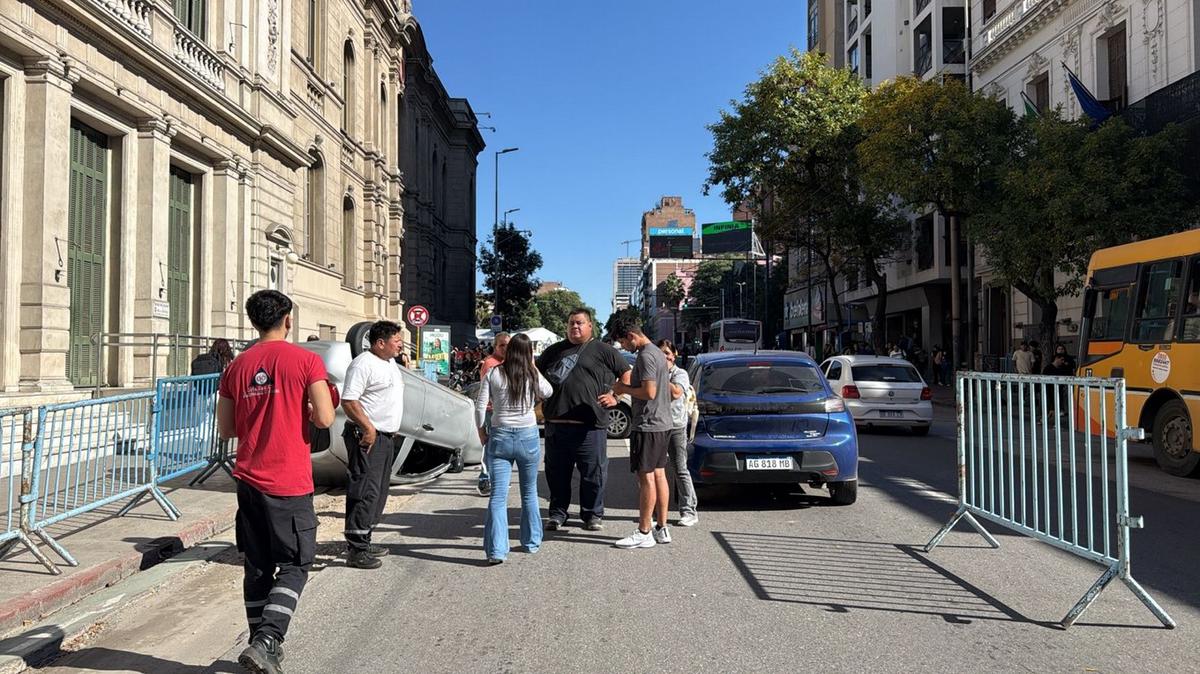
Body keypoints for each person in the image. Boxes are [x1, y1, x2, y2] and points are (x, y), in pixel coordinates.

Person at [216, 290, 335, 674]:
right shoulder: (305, 360)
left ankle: (258, 645)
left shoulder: (235, 368)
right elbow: (326, 419)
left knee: (257, 566)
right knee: (297, 564)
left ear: (254, 322)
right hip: (288, 480)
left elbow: (227, 429)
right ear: (287, 319)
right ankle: (268, 641)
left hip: (248, 478)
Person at [536, 308, 631, 532]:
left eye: (579, 323)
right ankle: (558, 513)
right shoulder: (553, 351)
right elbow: (535, 375)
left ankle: (592, 514)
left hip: (590, 426)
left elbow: (626, 375)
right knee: (557, 474)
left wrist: (615, 396)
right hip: (557, 426)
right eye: (571, 323)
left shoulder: (604, 350)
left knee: (593, 473)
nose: (574, 327)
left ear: (590, 326)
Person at [475, 334, 552, 564]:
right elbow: (548, 392)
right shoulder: (531, 374)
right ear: (529, 353)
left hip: (500, 435)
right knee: (529, 492)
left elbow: (480, 407)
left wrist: (481, 431)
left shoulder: (493, 373)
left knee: (498, 496)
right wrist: (533, 367)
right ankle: (530, 542)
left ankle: (496, 550)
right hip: (528, 435)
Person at [340, 320, 406, 570]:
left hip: (385, 437)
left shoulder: (389, 363)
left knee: (378, 492)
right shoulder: (363, 364)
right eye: (396, 341)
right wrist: (368, 427)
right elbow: (349, 400)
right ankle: (356, 548)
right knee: (365, 490)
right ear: (380, 343)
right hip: (367, 437)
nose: (400, 345)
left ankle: (365, 538)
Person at [605, 316, 672, 549]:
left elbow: (649, 392)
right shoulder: (657, 352)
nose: (623, 347)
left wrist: (622, 388)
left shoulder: (645, 355)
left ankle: (644, 530)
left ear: (631, 336)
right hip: (662, 423)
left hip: (648, 424)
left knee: (646, 478)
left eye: (623, 343)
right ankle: (661, 527)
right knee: (659, 474)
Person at [656, 340, 698, 527]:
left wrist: (660, 374)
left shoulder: (680, 373)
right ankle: (657, 511)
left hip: (675, 427)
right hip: (657, 426)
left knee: (680, 468)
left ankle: (689, 511)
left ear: (674, 354)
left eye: (667, 353)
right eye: (660, 353)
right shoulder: (653, 372)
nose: (664, 356)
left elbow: (675, 393)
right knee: (654, 470)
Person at [475, 332, 511, 497]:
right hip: (491, 410)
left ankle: (499, 479)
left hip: (505, 411)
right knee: (489, 446)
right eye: (501, 345)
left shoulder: (510, 362)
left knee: (503, 447)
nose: (505, 348)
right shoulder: (490, 363)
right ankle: (484, 479)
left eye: (508, 345)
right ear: (495, 347)